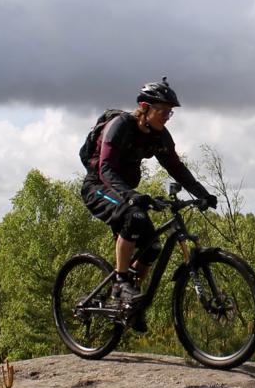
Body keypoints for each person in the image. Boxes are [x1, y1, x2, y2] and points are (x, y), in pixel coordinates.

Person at [80, 78, 217, 330]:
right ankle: (121, 283)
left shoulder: (160, 137)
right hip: (98, 187)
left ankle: (131, 304)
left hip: (124, 190)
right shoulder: (119, 126)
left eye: (170, 112)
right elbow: (105, 169)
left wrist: (203, 193)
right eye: (163, 110)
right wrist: (131, 195)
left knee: (152, 246)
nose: (167, 116)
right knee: (135, 217)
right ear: (144, 107)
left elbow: (177, 169)